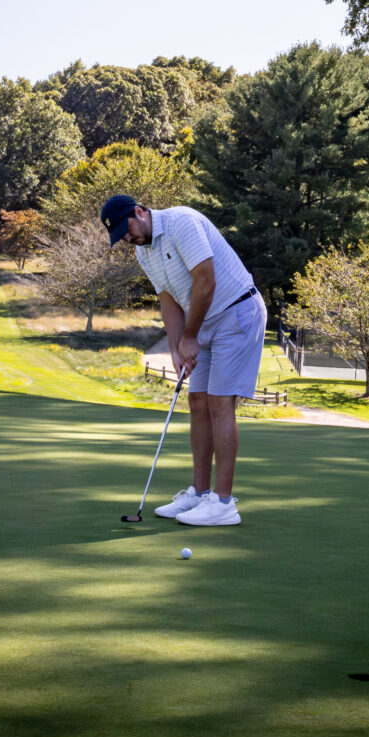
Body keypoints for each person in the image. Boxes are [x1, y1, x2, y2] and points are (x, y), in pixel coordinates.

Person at [100, 195, 267, 526]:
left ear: (139, 212)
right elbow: (169, 302)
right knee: (197, 400)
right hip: (204, 321)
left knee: (220, 404)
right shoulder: (142, 251)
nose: (127, 238)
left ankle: (223, 503)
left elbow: (206, 281)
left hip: (237, 313)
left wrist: (190, 338)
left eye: (127, 229)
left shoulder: (181, 223)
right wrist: (176, 349)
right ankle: (201, 493)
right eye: (121, 236)